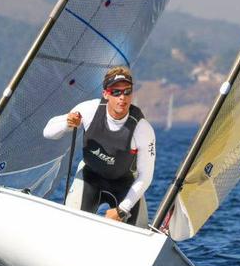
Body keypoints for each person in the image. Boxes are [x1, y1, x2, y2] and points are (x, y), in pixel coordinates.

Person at [43, 66, 156, 226]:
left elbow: (146, 176)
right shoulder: (89, 110)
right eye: (116, 92)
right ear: (106, 94)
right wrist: (66, 123)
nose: (122, 97)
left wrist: (122, 209)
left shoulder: (142, 128)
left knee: (140, 232)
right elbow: (47, 132)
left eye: (127, 91)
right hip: (90, 178)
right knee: (71, 225)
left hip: (125, 184)